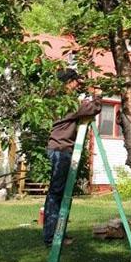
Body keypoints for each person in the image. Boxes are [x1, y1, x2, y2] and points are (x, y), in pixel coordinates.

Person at [43, 68, 102, 247]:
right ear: (68, 82)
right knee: (57, 194)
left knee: (57, 193)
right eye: (75, 82)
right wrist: (97, 95)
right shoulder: (67, 103)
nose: (78, 85)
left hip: (57, 149)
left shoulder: (55, 98)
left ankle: (55, 234)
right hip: (61, 150)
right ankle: (52, 237)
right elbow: (93, 108)